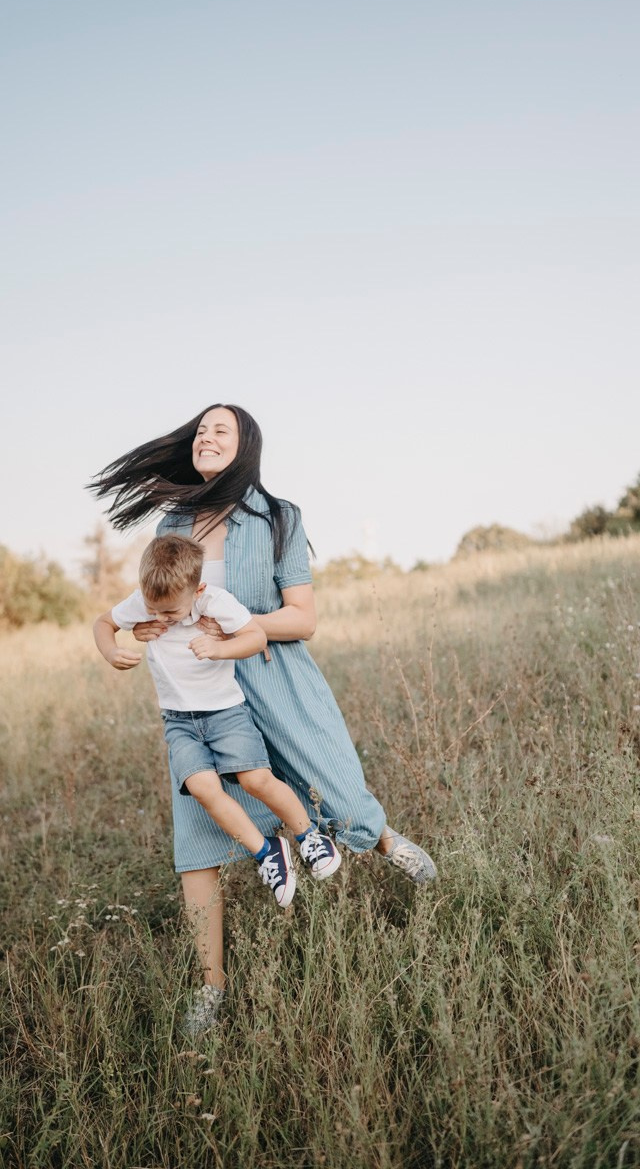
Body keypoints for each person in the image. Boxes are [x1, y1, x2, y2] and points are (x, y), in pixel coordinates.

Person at [88, 403, 436, 1036]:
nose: (206, 437)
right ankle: (211, 989)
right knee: (197, 838)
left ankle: (385, 841)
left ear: (247, 445)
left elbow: (303, 618)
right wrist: (142, 631)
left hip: (273, 675)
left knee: (331, 782)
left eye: (221, 429)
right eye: (200, 430)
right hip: (201, 696)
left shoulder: (278, 517)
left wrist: (236, 627)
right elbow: (159, 605)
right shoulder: (173, 522)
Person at [94, 533, 342, 915]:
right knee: (203, 789)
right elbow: (103, 623)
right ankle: (266, 851)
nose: (158, 620)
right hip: (179, 720)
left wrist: (220, 648)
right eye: (152, 610)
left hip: (226, 712)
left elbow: (256, 637)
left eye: (170, 613)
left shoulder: (215, 601)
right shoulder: (147, 601)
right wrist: (111, 650)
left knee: (255, 779)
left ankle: (308, 836)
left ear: (198, 590)